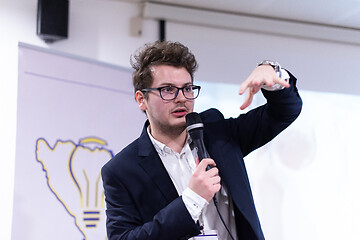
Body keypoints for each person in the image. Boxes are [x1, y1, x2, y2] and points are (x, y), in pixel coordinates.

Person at [101, 41, 302, 240]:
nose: (181, 98)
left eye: (187, 88)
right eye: (168, 90)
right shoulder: (122, 170)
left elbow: (284, 112)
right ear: (141, 100)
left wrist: (271, 71)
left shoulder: (218, 132)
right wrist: (192, 199)